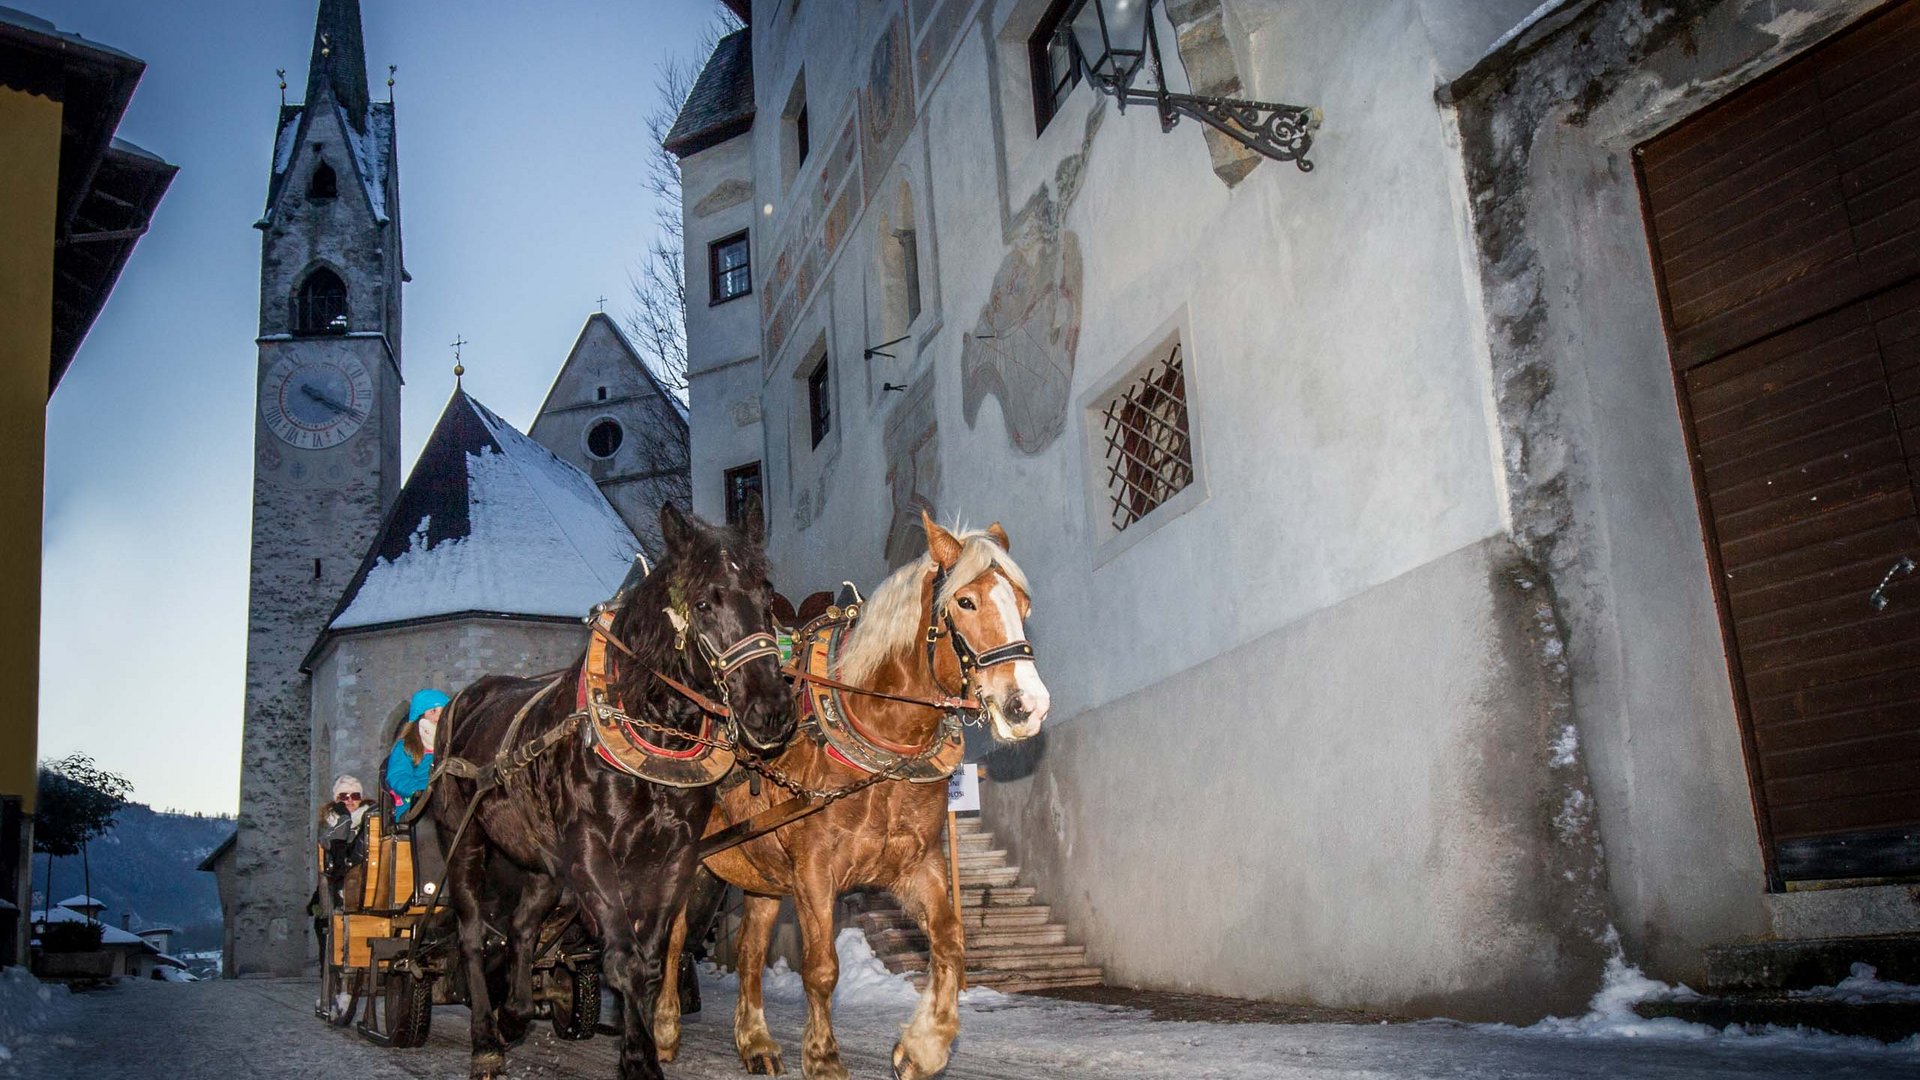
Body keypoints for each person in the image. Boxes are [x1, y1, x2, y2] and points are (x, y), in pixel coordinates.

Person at [387, 688, 448, 822]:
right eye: (433, 711)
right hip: (415, 805)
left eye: (443, 712)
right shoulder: (406, 746)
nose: (439, 717)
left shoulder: (452, 743)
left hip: (448, 800)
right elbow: (397, 775)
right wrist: (420, 790)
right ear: (420, 715)